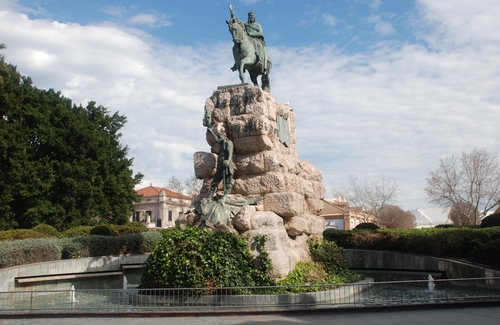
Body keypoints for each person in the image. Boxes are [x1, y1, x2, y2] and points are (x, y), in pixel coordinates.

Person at [207, 128, 234, 202]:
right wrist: (211, 132)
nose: (219, 138)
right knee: (215, 181)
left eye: (220, 137)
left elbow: (230, 152)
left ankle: (226, 195)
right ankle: (210, 196)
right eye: (219, 137)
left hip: (227, 166)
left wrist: (228, 161)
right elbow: (216, 139)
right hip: (221, 167)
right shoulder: (222, 144)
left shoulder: (228, 143)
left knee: (227, 182)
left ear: (224, 136)